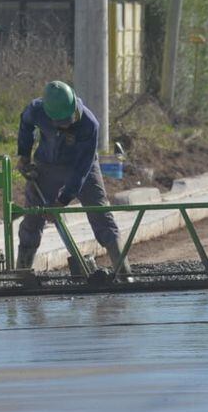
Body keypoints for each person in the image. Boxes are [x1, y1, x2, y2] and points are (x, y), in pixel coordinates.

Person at [15, 80, 132, 278]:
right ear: (49, 116)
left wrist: (62, 201)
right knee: (33, 217)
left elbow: (82, 169)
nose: (68, 124)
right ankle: (22, 274)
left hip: (81, 167)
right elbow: (25, 123)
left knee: (101, 214)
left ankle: (123, 271)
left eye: (70, 119)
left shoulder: (89, 124)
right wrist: (24, 155)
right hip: (47, 164)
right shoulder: (37, 109)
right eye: (62, 122)